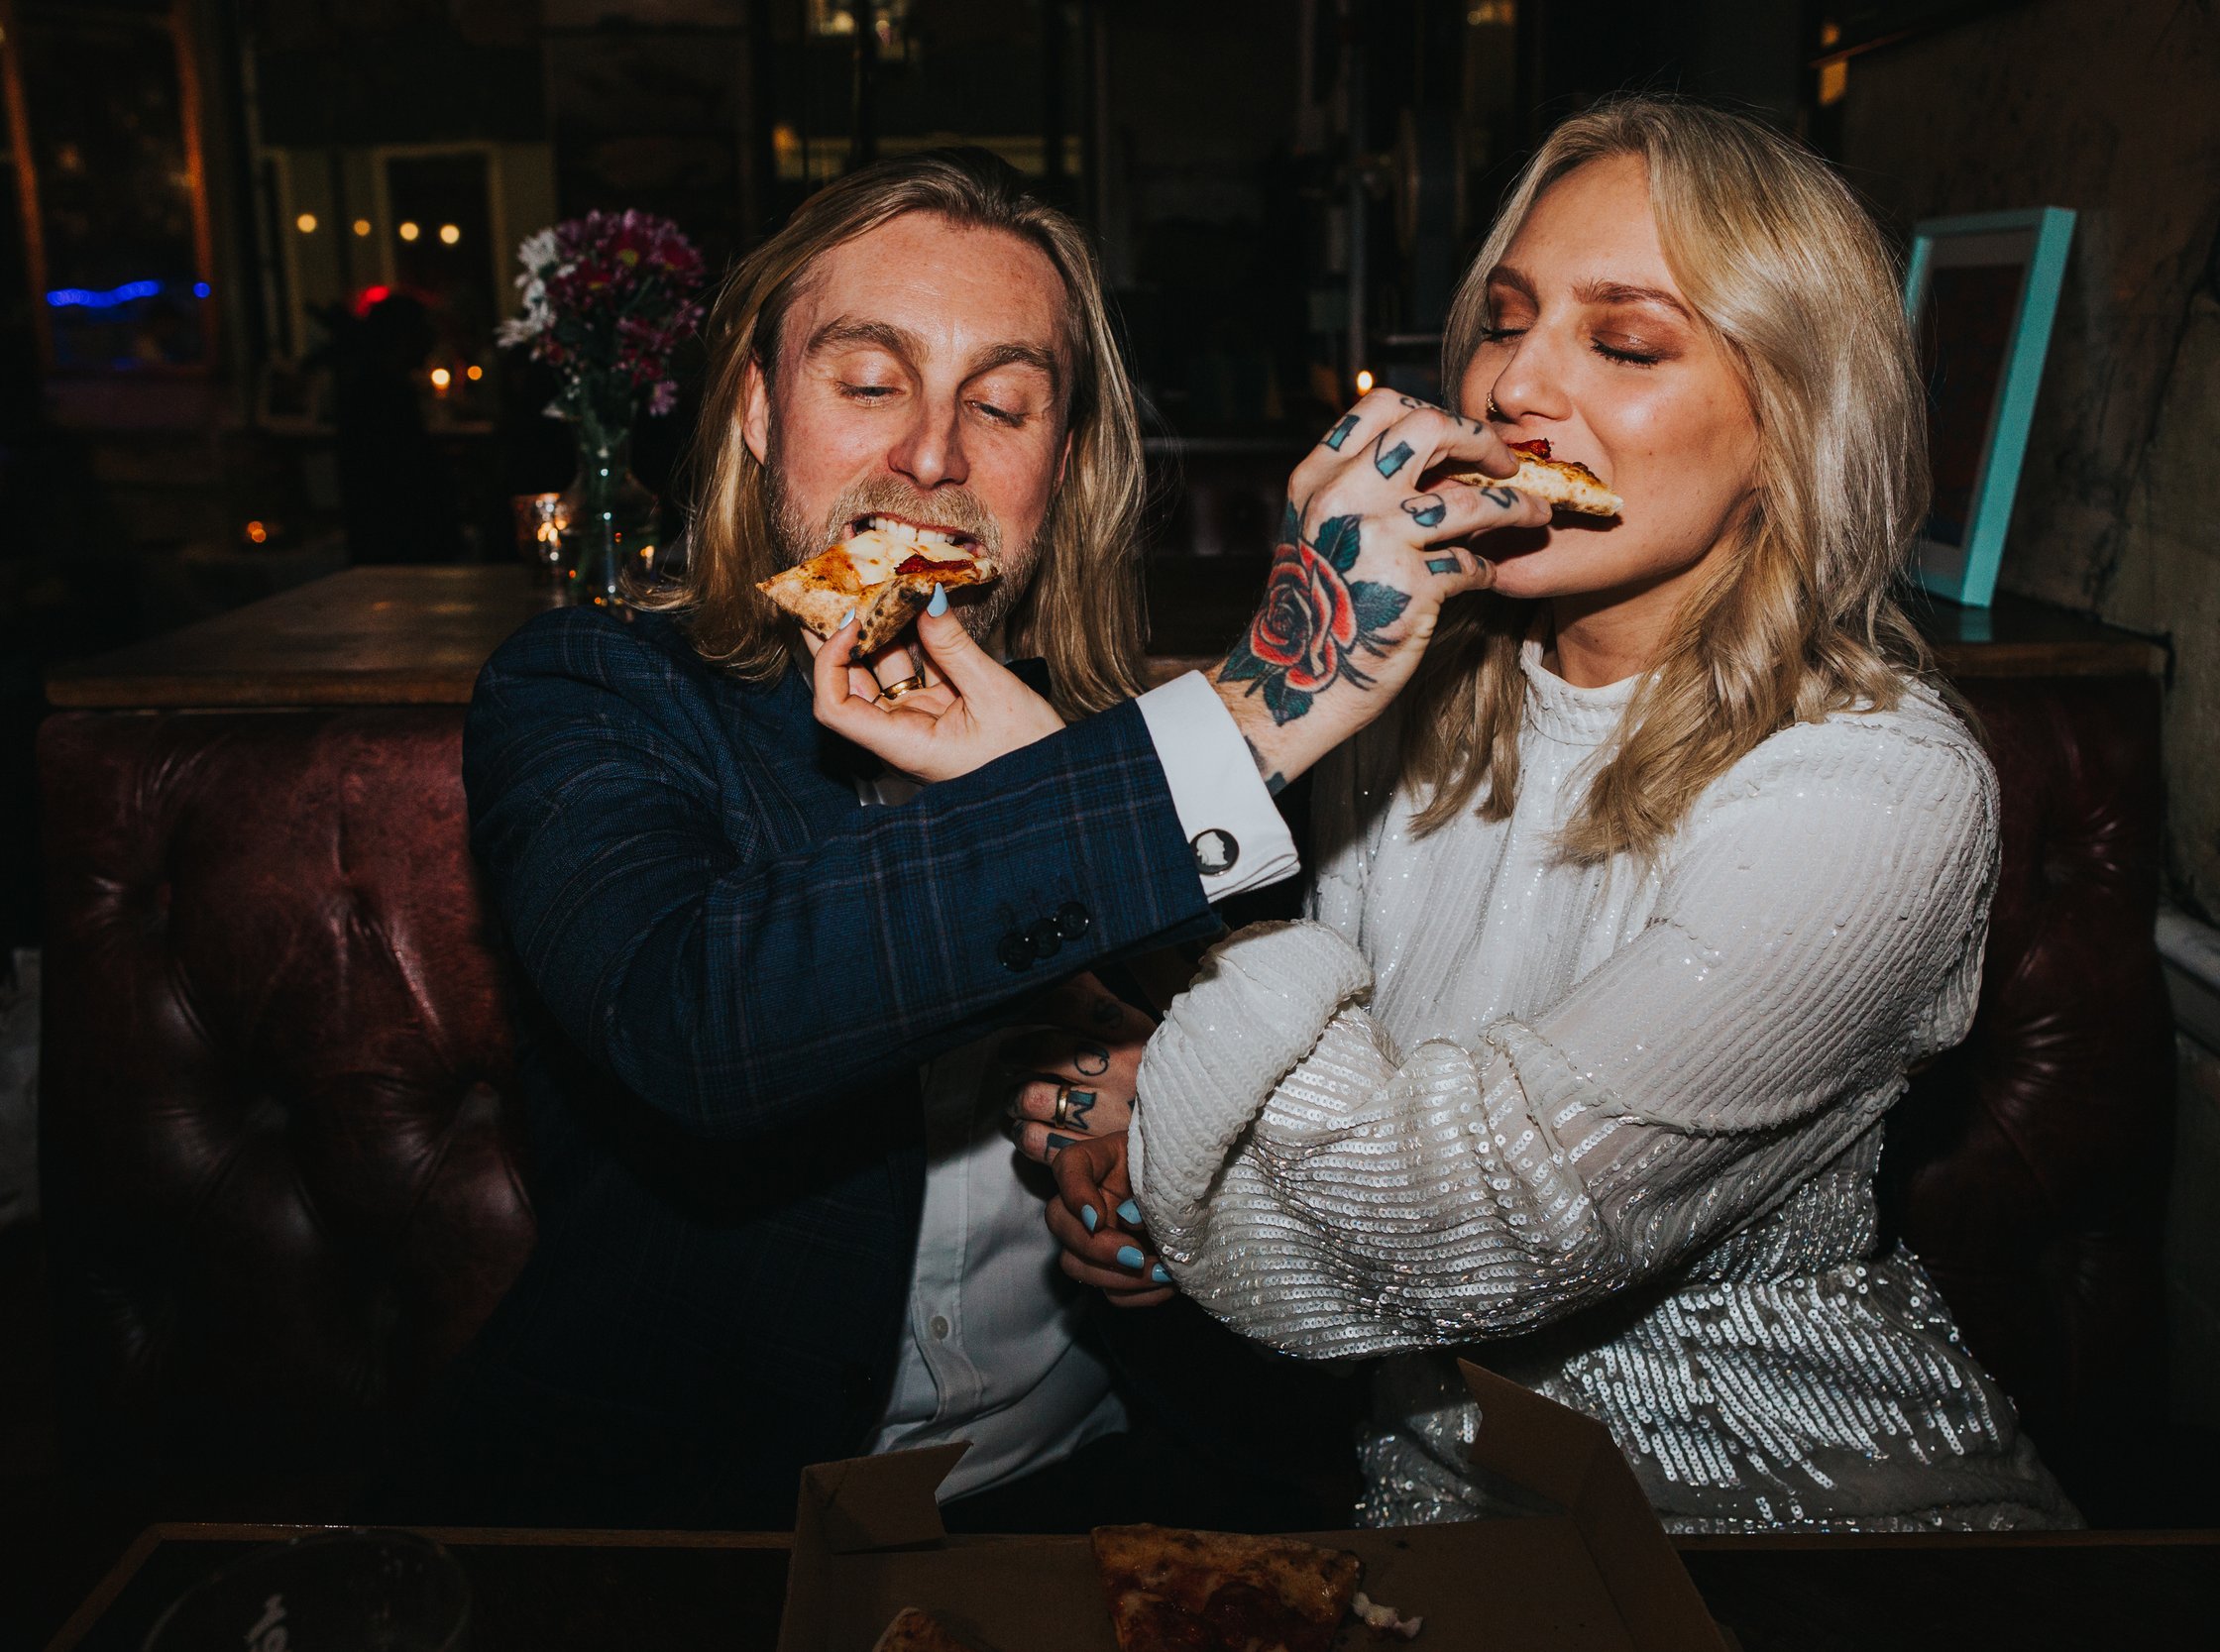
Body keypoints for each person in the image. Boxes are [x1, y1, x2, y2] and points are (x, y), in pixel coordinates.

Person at [831, 100, 2080, 1532]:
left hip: (1799, 1538)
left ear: (1791, 418)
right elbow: (1329, 1136)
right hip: (1429, 1512)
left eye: (1623, 343)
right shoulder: (1420, 710)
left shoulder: (1880, 790)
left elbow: (1463, 1225)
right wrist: (1153, 1142)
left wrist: (1099, 854)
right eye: (1502, 322)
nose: (1512, 391)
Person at [413, 150, 1541, 1529]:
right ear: (760, 411)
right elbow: (697, 1018)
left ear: (1060, 468)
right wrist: (1259, 703)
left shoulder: (1130, 754)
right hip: (697, 1527)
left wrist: (1168, 1209)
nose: (933, 456)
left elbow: (1305, 1188)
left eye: (1002, 404)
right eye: (868, 381)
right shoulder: (592, 693)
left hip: (1094, 1496)